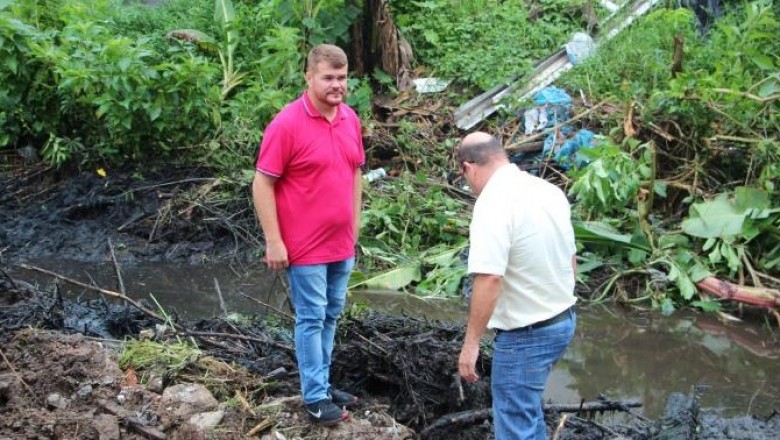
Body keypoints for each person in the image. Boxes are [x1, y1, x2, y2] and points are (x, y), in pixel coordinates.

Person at [252, 43, 364, 427]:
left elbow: (355, 174)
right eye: (328, 78)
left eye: (342, 78)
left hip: (341, 243)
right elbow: (262, 183)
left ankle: (323, 382)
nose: (337, 85)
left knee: (331, 314)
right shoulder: (287, 123)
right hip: (305, 246)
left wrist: (355, 225)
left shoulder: (350, 119)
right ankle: (314, 397)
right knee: (312, 317)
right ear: (309, 77)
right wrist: (273, 240)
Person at [456, 132, 577, 439]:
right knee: (525, 412)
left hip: (527, 335)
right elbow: (571, 259)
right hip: (562, 320)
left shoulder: (492, 205)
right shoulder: (547, 190)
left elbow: (489, 278)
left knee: (514, 424)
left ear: (468, 168)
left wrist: (471, 346)